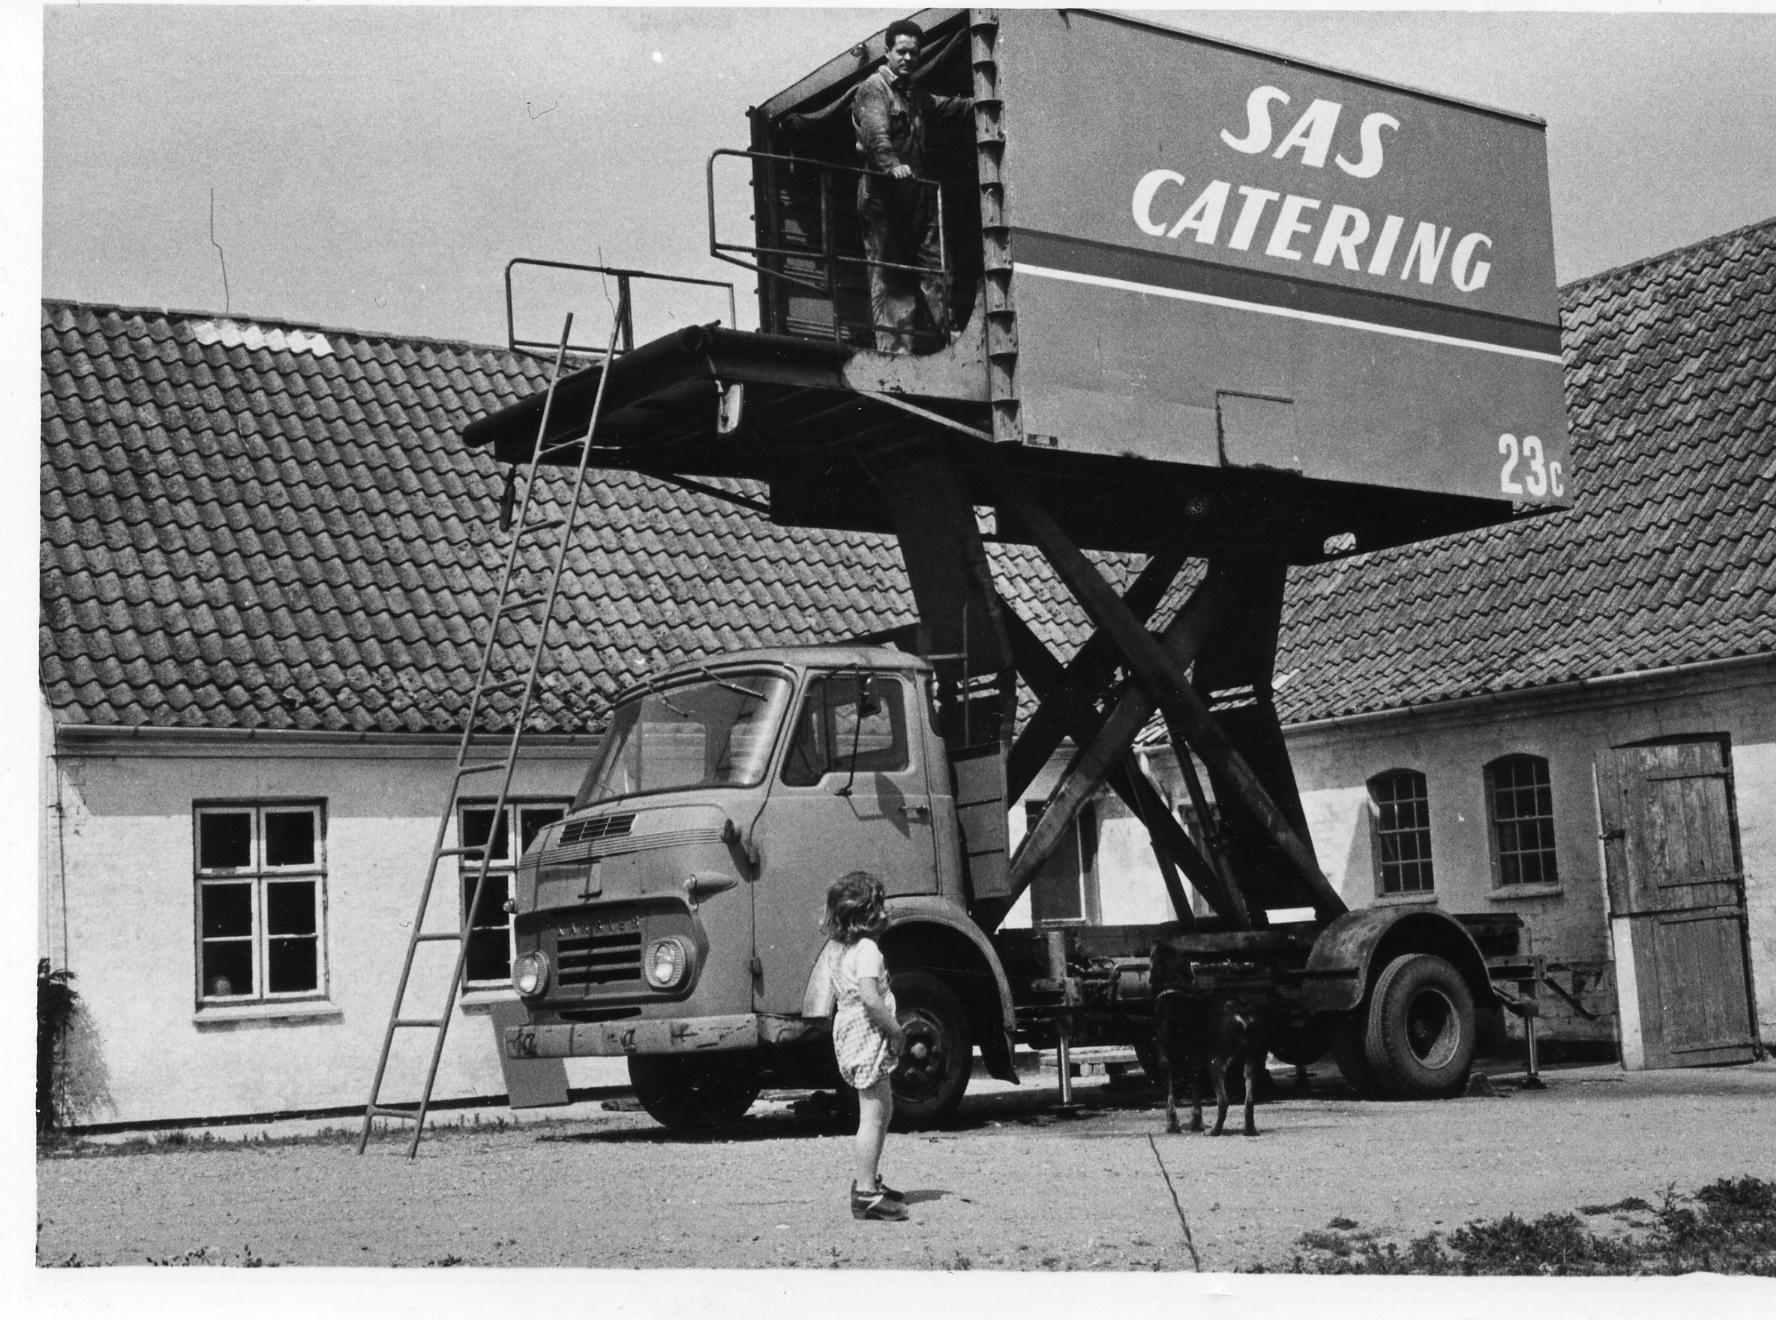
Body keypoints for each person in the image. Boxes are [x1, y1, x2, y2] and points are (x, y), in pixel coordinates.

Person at [851, 19, 972, 354]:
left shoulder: (914, 96)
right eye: (901, 51)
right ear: (888, 52)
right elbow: (877, 137)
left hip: (918, 196)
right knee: (893, 279)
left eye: (914, 53)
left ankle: (946, 344)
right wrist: (893, 166)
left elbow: (949, 107)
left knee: (937, 269)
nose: (908, 58)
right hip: (884, 197)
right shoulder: (873, 89)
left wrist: (987, 103)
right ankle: (896, 354)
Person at [823, 870, 909, 1220]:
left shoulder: (839, 950)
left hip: (850, 1029)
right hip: (869, 1031)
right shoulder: (869, 950)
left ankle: (868, 1177)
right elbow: (871, 1000)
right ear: (870, 913)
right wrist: (896, 1031)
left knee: (881, 1108)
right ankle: (865, 1193)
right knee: (873, 1115)